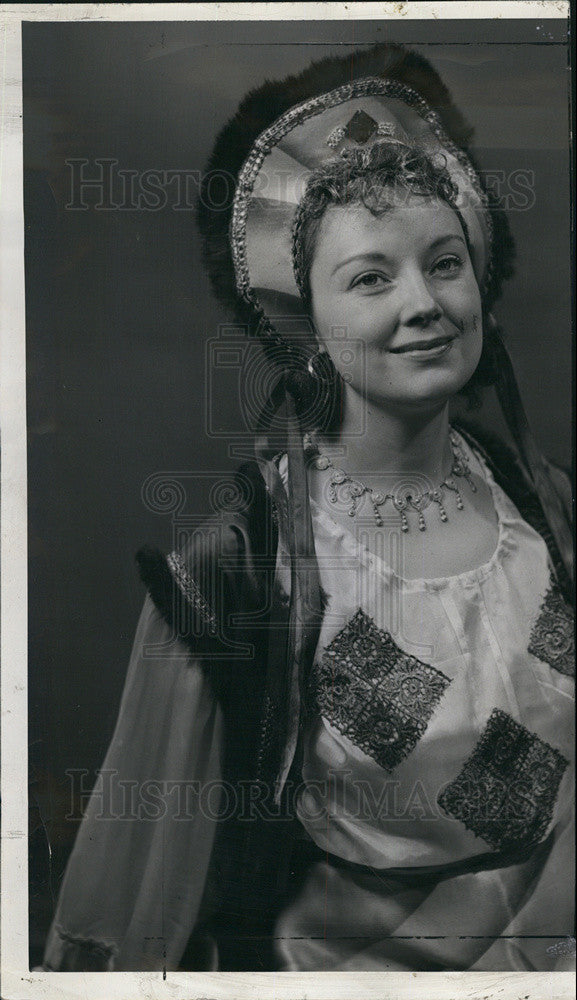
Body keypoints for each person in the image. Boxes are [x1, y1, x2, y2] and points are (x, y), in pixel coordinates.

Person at [42, 44, 574, 973]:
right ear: (307, 327)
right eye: (371, 278)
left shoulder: (551, 510)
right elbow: (137, 895)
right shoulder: (243, 573)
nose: (424, 304)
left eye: (443, 263)